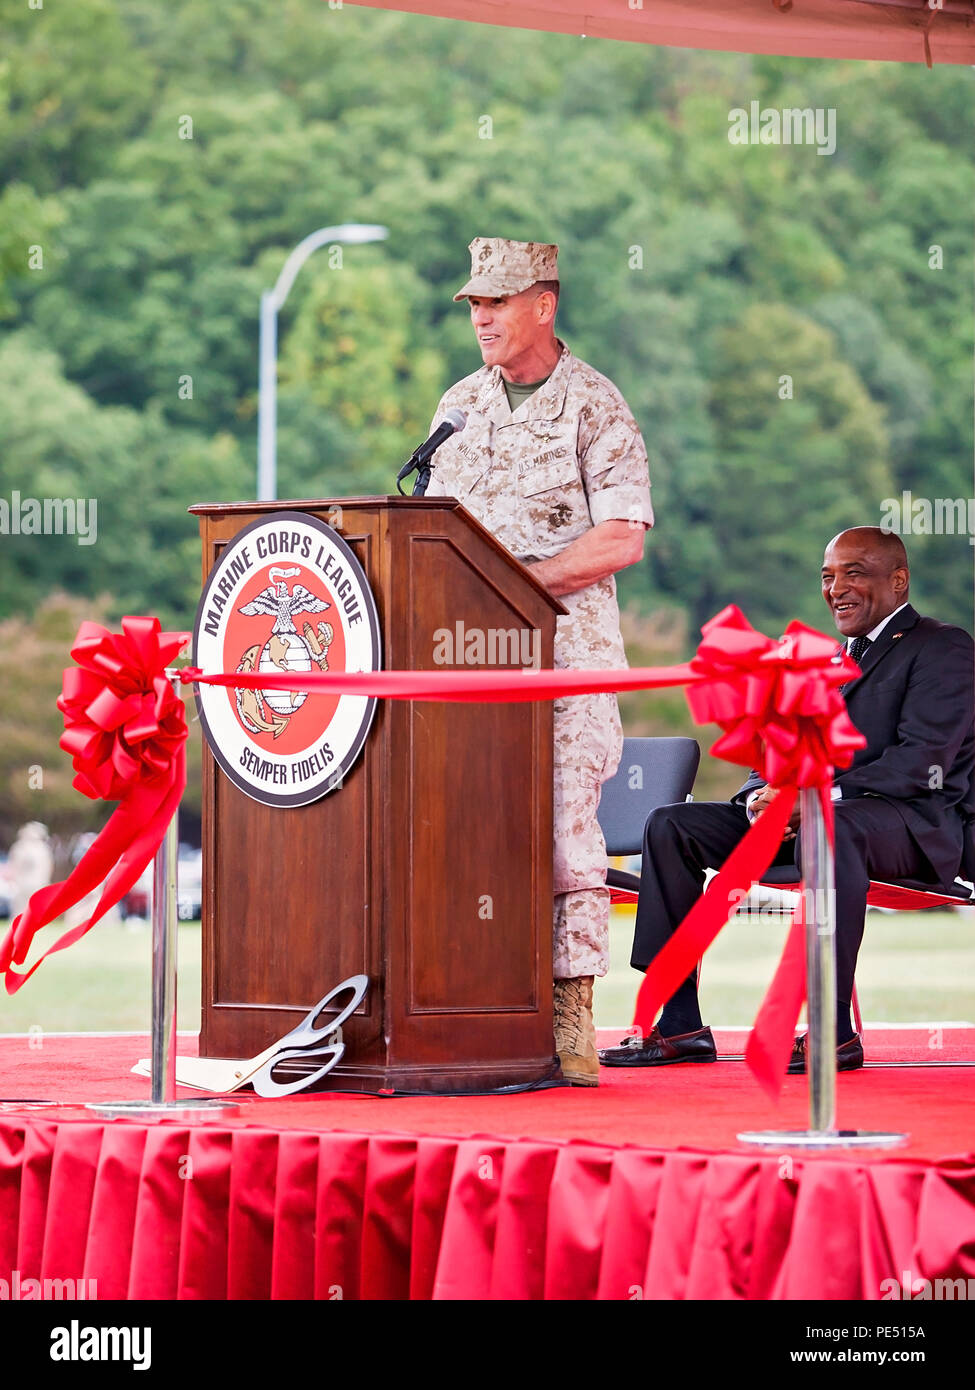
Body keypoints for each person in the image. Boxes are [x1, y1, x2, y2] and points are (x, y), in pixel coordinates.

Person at [600, 527, 975, 1073]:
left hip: (909, 823)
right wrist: (759, 798)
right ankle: (680, 1025)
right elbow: (771, 750)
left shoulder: (942, 646)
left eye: (854, 573)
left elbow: (925, 761)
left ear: (899, 580)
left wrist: (819, 796)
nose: (836, 588)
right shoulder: (817, 661)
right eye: (827, 576)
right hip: (809, 817)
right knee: (670, 825)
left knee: (833, 827)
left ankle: (833, 1031)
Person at [425, 237, 653, 1084]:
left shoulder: (593, 403)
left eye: (496, 302)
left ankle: (568, 1010)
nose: (481, 318)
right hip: (468, 662)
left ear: (543, 305)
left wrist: (516, 584)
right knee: (463, 827)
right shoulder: (457, 406)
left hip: (567, 661)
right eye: (474, 305)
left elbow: (621, 538)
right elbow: (431, 531)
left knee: (563, 831)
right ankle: (467, 1001)